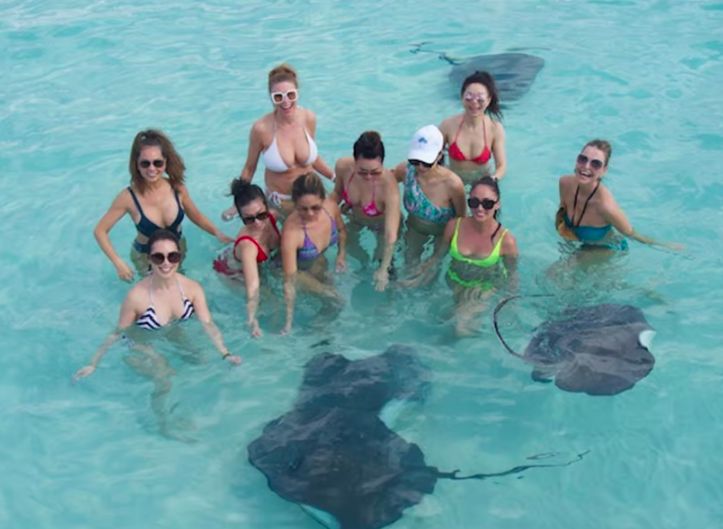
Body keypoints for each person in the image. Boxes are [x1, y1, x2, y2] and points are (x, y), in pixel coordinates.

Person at [75, 230, 241, 439]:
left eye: (172, 256)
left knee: (201, 360)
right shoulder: (137, 297)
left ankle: (204, 414)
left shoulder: (191, 289)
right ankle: (163, 424)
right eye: (158, 257)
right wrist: (93, 363)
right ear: (148, 260)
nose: (166, 263)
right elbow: (118, 332)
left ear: (179, 257)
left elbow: (207, 323)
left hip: (171, 332)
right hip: (139, 342)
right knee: (165, 377)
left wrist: (225, 354)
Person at [95, 129, 232, 281]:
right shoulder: (128, 197)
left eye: (157, 163)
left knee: (180, 286)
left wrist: (217, 232)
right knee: (157, 295)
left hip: (176, 249)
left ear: (166, 162)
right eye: (145, 164)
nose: (152, 169)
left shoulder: (177, 188)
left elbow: (195, 215)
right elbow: (100, 231)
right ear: (137, 165)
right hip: (146, 256)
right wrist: (118, 262)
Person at [405, 177, 518, 335]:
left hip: (483, 289)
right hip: (453, 282)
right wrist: (419, 274)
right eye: (474, 202)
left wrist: (508, 301)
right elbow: (438, 257)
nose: (479, 208)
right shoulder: (454, 226)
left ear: (497, 204)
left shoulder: (506, 240)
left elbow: (512, 274)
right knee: (437, 321)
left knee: (460, 328)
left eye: (487, 204)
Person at [222, 63, 334, 219]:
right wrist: (238, 202)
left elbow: (313, 158)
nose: (285, 101)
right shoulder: (261, 129)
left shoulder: (309, 118)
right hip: (283, 203)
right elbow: (249, 168)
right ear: (271, 98)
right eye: (278, 97)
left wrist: (335, 178)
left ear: (297, 93)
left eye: (291, 95)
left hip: (312, 198)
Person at [556, 139, 682, 251]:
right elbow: (562, 212)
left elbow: (632, 234)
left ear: (604, 170)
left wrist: (665, 245)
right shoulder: (564, 183)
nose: (586, 166)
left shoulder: (605, 206)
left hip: (604, 247)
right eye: (583, 159)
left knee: (558, 272)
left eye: (596, 164)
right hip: (578, 242)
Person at [332, 131, 401, 291]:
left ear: (382, 164)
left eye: (375, 172)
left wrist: (383, 269)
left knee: (383, 263)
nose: (369, 177)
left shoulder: (389, 187)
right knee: (352, 253)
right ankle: (363, 265)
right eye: (362, 171)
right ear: (354, 161)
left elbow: (391, 234)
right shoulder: (343, 167)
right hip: (356, 220)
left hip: (382, 227)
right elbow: (337, 193)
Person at [212, 180, 281, 337]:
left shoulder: (273, 216)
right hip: (233, 273)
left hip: (258, 263)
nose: (257, 223)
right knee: (273, 302)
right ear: (241, 218)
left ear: (267, 207)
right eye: (249, 219)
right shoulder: (248, 247)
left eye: (261, 215)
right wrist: (252, 319)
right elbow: (253, 287)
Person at [281, 172, 347, 334]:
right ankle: (310, 333)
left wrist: (341, 255)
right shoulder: (291, 232)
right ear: (295, 204)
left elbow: (342, 231)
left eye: (315, 207)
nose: (310, 214)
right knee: (337, 300)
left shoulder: (331, 208)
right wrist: (288, 320)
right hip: (299, 272)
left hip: (319, 263)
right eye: (303, 209)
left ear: (323, 200)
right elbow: (290, 278)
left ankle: (320, 335)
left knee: (332, 303)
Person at [394, 125, 466, 267]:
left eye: (426, 162)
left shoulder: (453, 184)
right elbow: (384, 185)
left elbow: (461, 219)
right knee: (409, 265)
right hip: (414, 228)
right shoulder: (404, 170)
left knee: (430, 271)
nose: (420, 167)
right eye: (415, 161)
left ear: (439, 155)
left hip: (442, 234)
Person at [439, 71, 507, 184]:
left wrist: (491, 181)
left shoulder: (495, 128)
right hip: (453, 182)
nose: (474, 103)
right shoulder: (448, 125)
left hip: (482, 183)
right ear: (462, 97)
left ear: (489, 100)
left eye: (480, 99)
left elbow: (501, 166)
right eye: (469, 98)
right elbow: (432, 157)